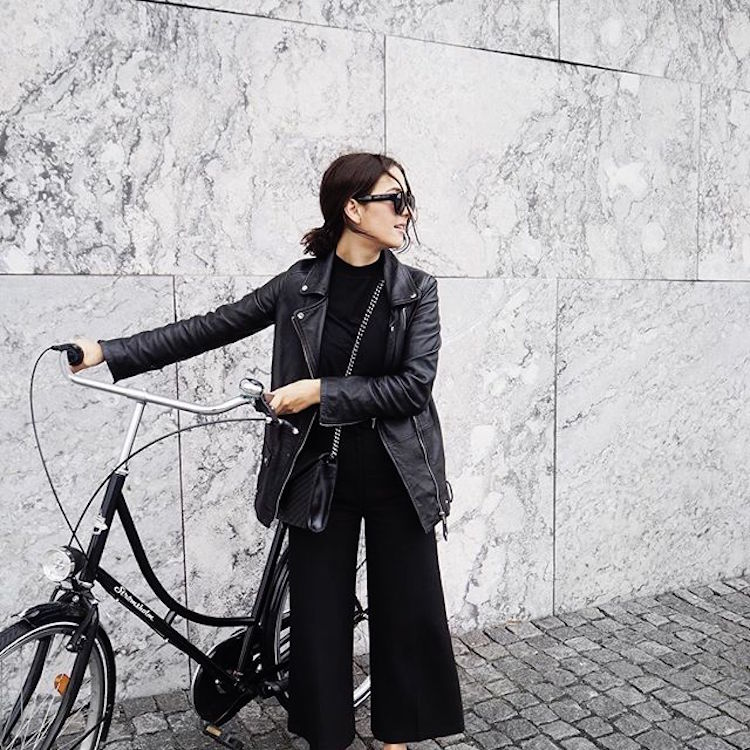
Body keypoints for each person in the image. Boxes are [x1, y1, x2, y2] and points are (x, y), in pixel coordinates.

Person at [70, 152, 464, 750]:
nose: (407, 212)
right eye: (395, 200)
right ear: (353, 210)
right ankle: (326, 739)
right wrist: (109, 351)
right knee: (318, 625)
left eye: (407, 200)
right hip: (317, 473)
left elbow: (413, 386)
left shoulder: (416, 291)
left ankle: (396, 740)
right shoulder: (298, 285)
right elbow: (212, 326)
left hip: (399, 474)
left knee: (407, 614)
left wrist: (318, 391)